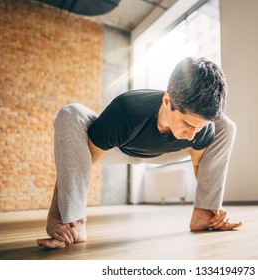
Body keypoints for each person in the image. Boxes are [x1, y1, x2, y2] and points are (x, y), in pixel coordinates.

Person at [37, 57, 242, 249]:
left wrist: (212, 208)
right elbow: (79, 165)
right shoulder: (126, 111)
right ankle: (73, 225)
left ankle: (204, 216)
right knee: (72, 113)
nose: (191, 135)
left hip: (168, 152)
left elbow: (199, 165)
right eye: (187, 124)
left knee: (226, 126)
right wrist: (60, 213)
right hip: (118, 148)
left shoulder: (201, 128)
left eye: (198, 127)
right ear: (167, 101)